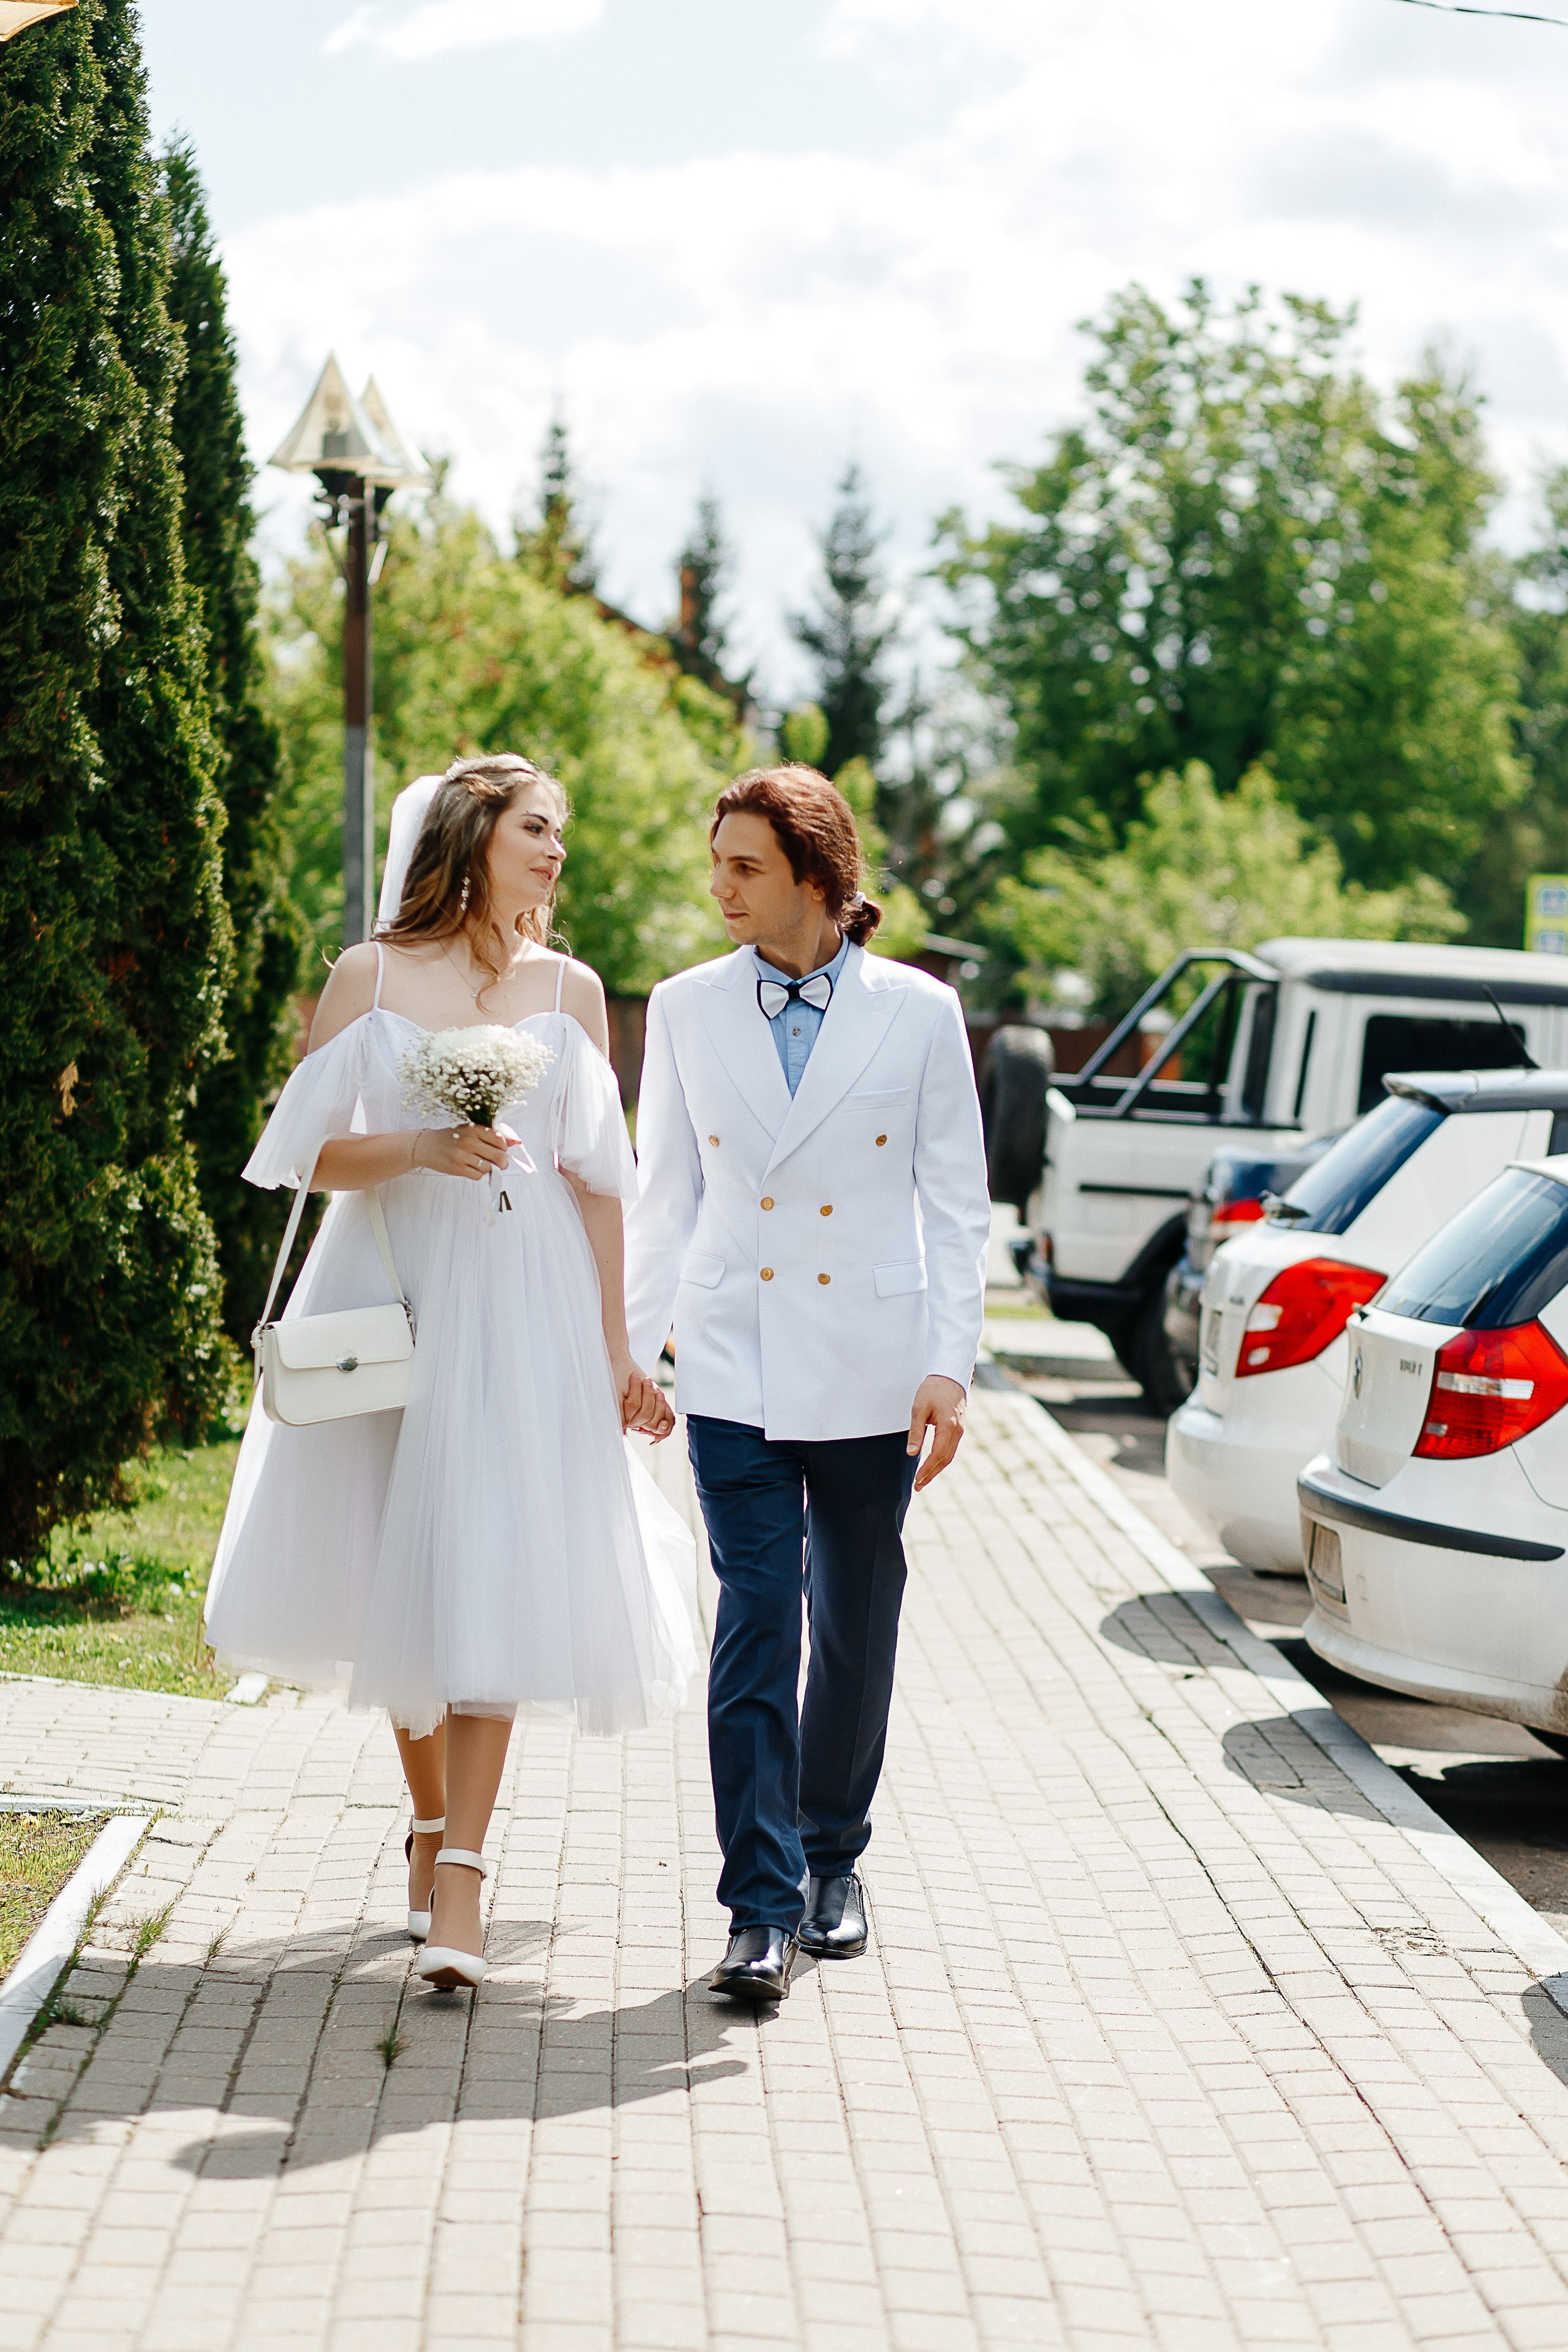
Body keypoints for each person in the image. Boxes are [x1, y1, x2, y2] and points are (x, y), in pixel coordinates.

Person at [206, 752, 695, 1991]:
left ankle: (466, 1878)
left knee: (495, 1562)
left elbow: (597, 1184)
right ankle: (426, 1822)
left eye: (561, 835)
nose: (556, 853)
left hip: (521, 1304)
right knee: (398, 1565)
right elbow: (307, 1156)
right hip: (389, 1294)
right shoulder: (369, 976)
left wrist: (616, 1347)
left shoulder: (571, 990)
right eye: (540, 828)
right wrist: (423, 1143)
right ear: (475, 832)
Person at [624, 763, 990, 2002]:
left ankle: (836, 1855)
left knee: (854, 1616)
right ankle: (758, 1909)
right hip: (733, 1359)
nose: (718, 887)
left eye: (744, 867)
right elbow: (662, 1188)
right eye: (715, 862)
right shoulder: (682, 1008)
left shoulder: (919, 1013)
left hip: (875, 1372)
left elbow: (953, 1198)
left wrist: (949, 1363)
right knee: (753, 1623)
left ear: (818, 881)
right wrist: (634, 1346)